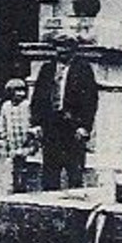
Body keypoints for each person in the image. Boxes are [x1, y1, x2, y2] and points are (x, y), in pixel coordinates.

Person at [29, 50, 99, 190]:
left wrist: (84, 126)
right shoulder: (47, 69)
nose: (62, 52)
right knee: (50, 170)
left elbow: (90, 100)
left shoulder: (83, 70)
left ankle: (75, 206)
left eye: (67, 48)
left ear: (73, 51)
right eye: (59, 48)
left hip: (73, 127)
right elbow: (38, 98)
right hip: (51, 126)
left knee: (74, 171)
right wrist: (36, 123)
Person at [0, 78, 33, 159]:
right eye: (17, 91)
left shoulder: (27, 105)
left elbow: (32, 120)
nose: (21, 94)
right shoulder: (6, 106)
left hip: (26, 141)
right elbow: (2, 122)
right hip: (12, 141)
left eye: (22, 91)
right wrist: (4, 135)